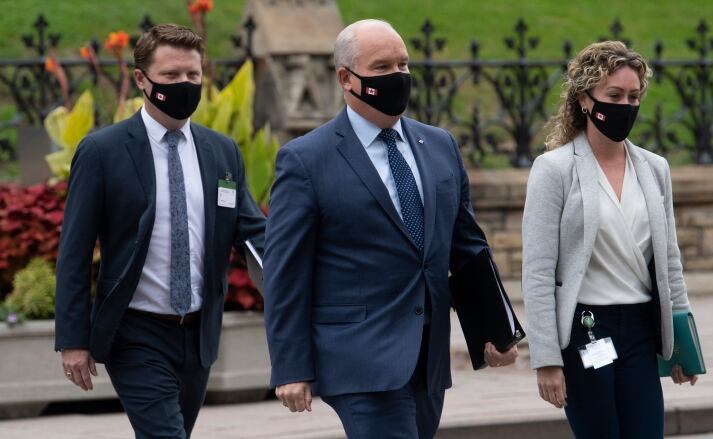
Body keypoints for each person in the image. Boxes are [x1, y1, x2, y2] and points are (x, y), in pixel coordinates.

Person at [263, 19, 518, 439]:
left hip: (428, 357)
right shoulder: (306, 160)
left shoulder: (439, 145)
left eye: (403, 64)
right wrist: (291, 366)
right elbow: (284, 272)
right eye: (382, 67)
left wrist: (495, 326)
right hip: (358, 359)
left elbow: (467, 245)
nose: (398, 76)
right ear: (346, 78)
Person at [54, 24, 266, 438]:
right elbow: (74, 251)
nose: (184, 84)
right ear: (141, 80)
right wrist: (72, 340)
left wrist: (294, 274)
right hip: (135, 333)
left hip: (199, 335)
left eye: (192, 75)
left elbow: (252, 231)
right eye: (171, 76)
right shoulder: (103, 152)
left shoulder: (221, 151)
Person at [521, 41, 698, 439]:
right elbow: (537, 271)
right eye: (614, 96)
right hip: (586, 329)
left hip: (640, 329)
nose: (626, 105)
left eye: (634, 96)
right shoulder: (554, 170)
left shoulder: (654, 169)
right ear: (585, 99)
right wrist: (546, 359)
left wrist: (683, 346)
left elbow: (669, 262)